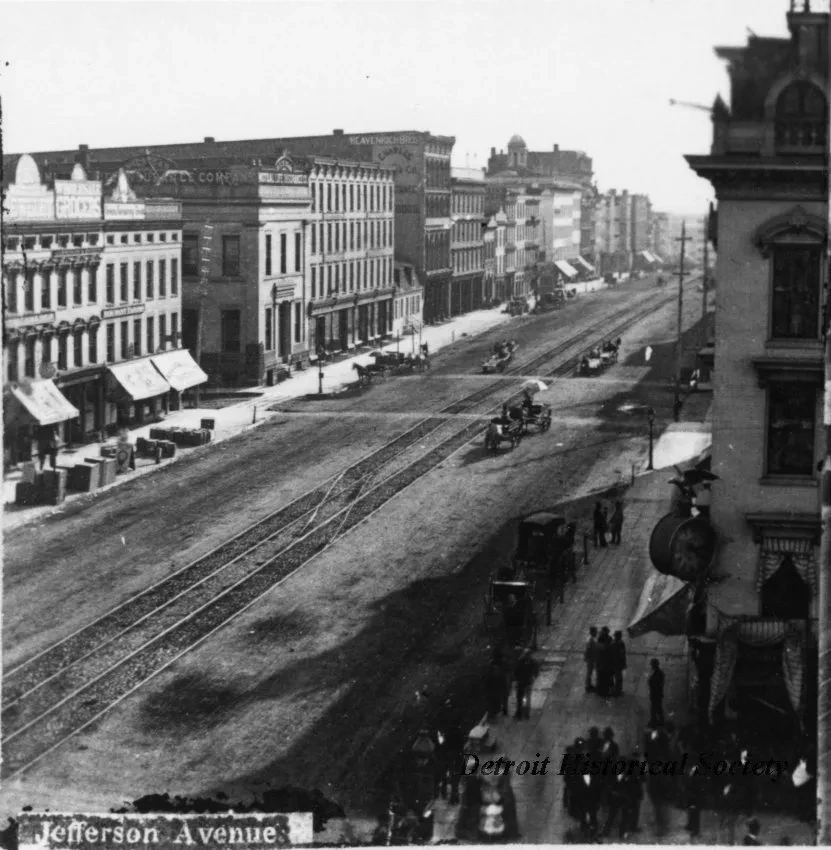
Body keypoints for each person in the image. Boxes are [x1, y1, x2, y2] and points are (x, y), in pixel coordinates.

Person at [513, 649, 539, 720]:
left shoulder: (529, 662)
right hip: (523, 682)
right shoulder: (525, 662)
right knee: (522, 698)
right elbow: (516, 671)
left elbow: (536, 672)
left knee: (524, 698)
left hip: (525, 682)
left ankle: (523, 713)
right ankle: (521, 713)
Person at [596, 627, 612, 697]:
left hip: (601, 664)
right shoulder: (603, 646)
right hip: (604, 664)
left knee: (601, 677)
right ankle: (603, 691)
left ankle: (601, 690)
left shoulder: (600, 643)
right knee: (604, 677)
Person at [648, 658, 665, 726]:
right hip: (657, 694)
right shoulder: (659, 673)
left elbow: (654, 683)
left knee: (655, 708)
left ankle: (655, 721)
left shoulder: (657, 674)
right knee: (657, 708)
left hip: (655, 694)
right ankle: (658, 720)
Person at [610, 631, 627, 696]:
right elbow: (623, 654)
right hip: (618, 664)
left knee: (615, 677)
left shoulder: (612, 643)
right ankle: (618, 690)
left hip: (613, 663)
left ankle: (615, 689)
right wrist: (624, 663)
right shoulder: (621, 644)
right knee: (619, 678)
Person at [584, 627, 598, 692]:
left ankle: (589, 685)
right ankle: (587, 686)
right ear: (592, 632)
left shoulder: (591, 639)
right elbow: (587, 650)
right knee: (589, 672)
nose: (596, 633)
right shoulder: (590, 640)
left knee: (590, 672)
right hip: (590, 659)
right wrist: (586, 657)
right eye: (595, 632)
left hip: (592, 658)